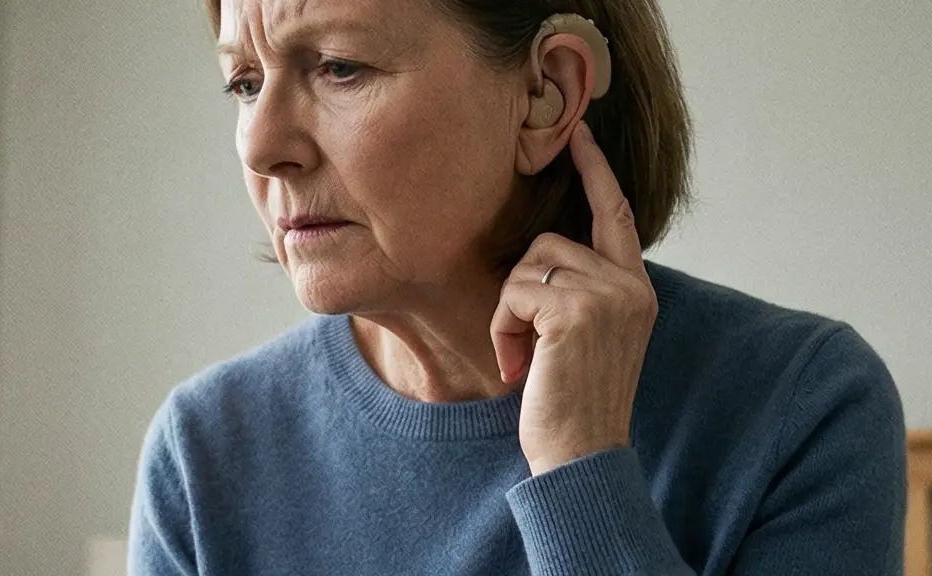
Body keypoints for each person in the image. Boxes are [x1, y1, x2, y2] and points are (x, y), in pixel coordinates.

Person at [127, 0, 907, 574]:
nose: (263, 147)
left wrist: (582, 466)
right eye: (245, 82)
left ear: (547, 95)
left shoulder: (802, 405)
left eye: (339, 67)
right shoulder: (202, 451)